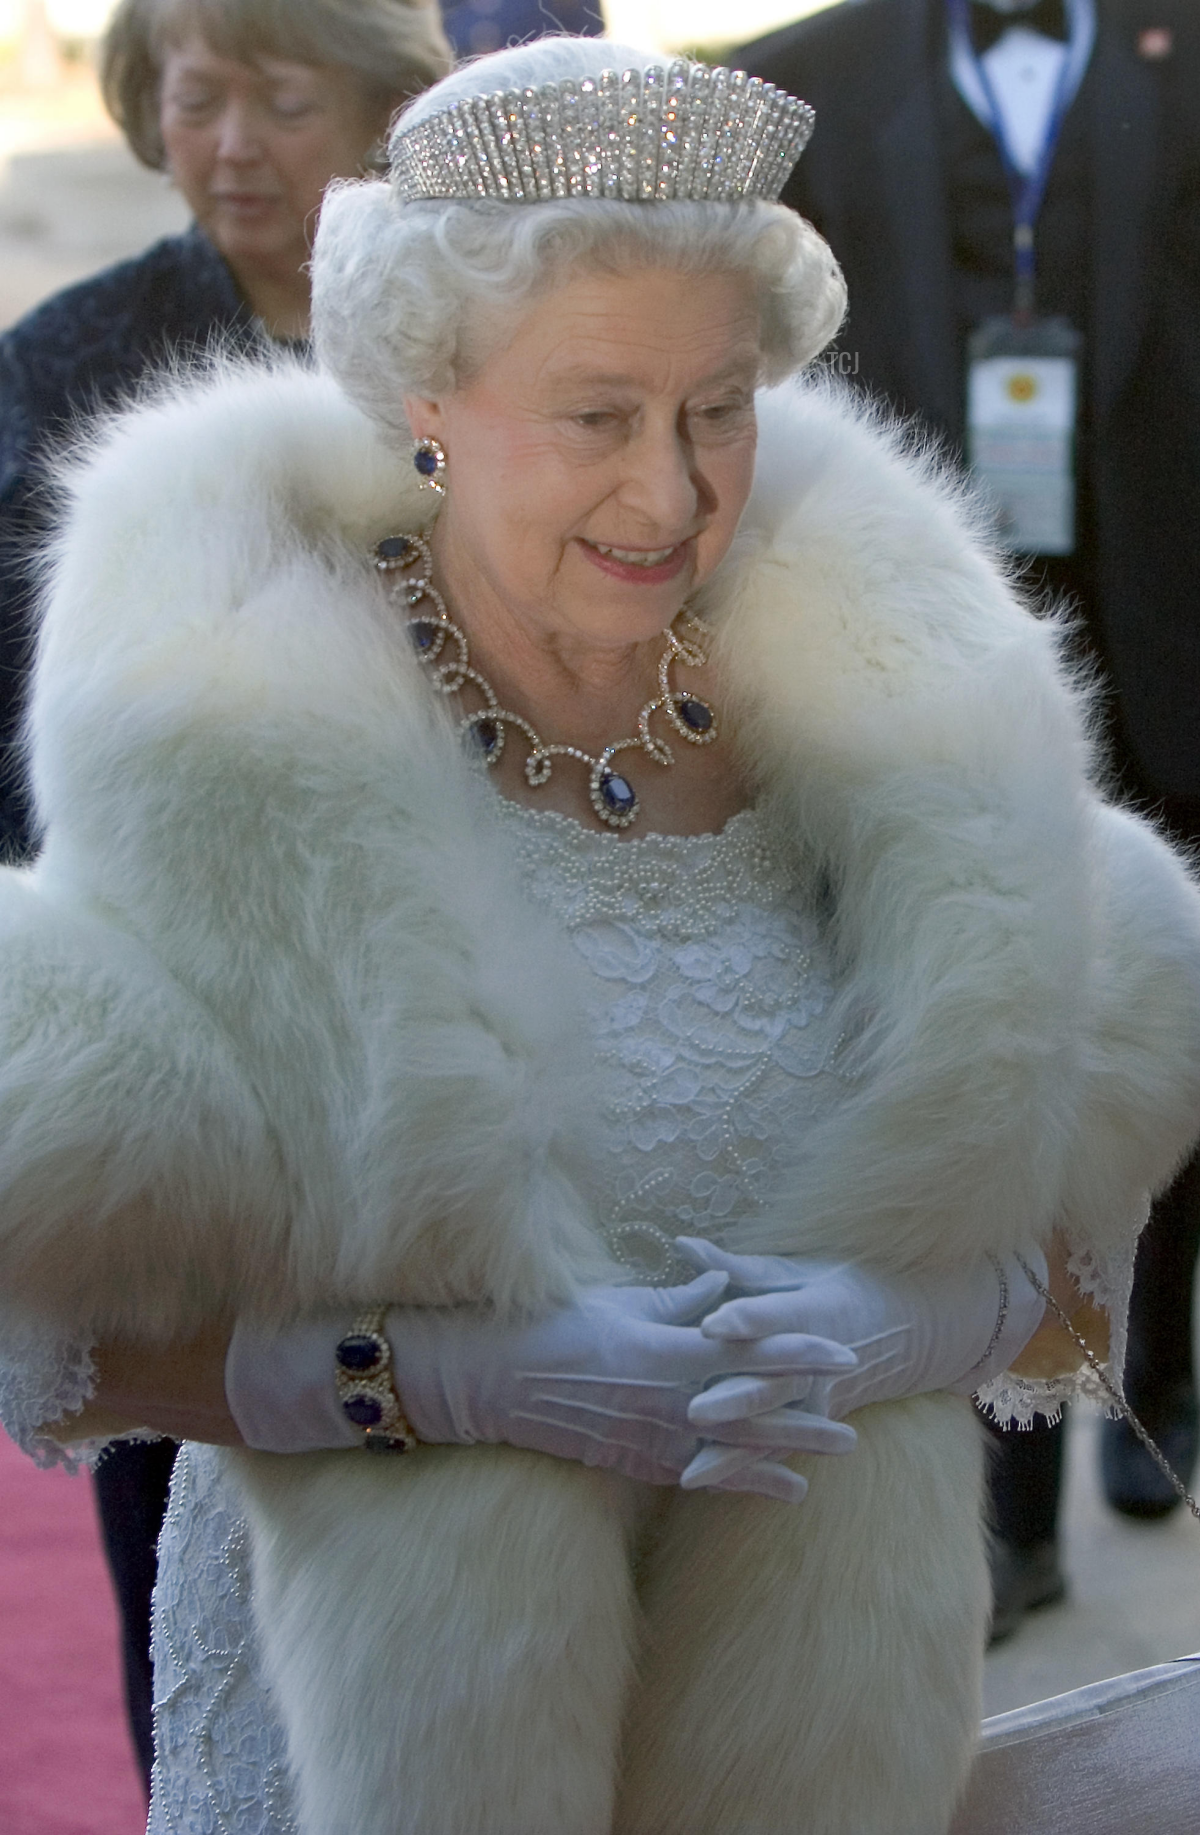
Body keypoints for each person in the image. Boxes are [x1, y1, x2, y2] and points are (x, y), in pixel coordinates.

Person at [0, 35, 1199, 1835]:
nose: (672, 493)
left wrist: (916, 1318)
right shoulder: (243, 737)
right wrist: (444, 1376)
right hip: (385, 1739)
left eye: (721, 409)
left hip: (810, 1741)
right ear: (426, 394)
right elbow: (71, 1333)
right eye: (595, 416)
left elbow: (1073, 1259)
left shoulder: (887, 722)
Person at [0, 0, 451, 1788]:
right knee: (177, 1498)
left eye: (283, 96)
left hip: (426, 1016)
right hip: (171, 1020)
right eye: (198, 99)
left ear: (382, 110)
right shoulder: (70, 354)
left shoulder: (458, 347)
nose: (236, 142)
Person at [740, 0, 1200, 1637]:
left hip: (1175, 648)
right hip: (923, 675)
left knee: (1173, 1019)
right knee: (977, 1048)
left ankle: (1161, 1359)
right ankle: (1010, 1515)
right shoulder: (790, 84)